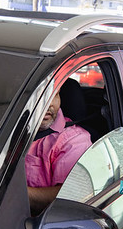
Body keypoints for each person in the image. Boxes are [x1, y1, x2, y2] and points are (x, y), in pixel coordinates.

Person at [26, 85, 92, 213]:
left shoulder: (74, 141)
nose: (49, 103)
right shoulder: (6, 130)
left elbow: (70, 198)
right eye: (41, 95)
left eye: (55, 94)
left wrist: (9, 193)